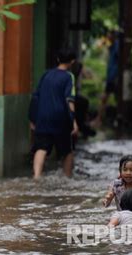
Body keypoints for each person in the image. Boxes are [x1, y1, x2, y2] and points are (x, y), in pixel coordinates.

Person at [29, 48, 79, 179]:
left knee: (41, 148)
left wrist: (32, 118)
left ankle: (37, 177)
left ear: (58, 59)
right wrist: (73, 121)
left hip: (43, 117)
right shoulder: (69, 77)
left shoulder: (46, 75)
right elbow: (70, 100)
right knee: (67, 151)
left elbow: (36, 97)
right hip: (61, 118)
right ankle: (68, 178)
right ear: (72, 62)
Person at [102, 155, 132, 221]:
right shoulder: (116, 185)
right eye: (125, 170)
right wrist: (107, 200)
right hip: (122, 215)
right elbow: (106, 204)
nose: (128, 173)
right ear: (120, 171)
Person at [92, 30, 119, 128]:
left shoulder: (117, 45)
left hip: (114, 77)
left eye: (109, 35)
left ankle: (99, 119)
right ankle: (99, 119)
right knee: (106, 99)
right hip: (111, 76)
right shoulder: (113, 46)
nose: (107, 37)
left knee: (105, 98)